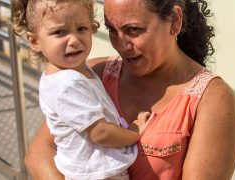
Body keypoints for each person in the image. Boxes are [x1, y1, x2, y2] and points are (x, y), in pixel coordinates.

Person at [23, 0, 235, 179]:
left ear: (174, 21)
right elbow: (39, 153)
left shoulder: (211, 99)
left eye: (133, 30)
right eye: (112, 30)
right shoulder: (94, 75)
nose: (120, 44)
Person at [11, 0, 153, 179]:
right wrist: (133, 133)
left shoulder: (70, 73)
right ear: (34, 41)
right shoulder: (67, 84)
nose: (74, 39)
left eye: (81, 29)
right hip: (97, 174)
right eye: (60, 32)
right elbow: (100, 132)